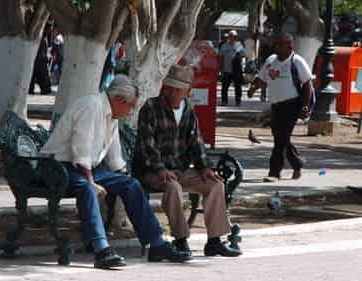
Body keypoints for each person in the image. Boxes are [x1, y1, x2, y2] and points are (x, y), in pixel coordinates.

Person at [40, 75, 191, 269]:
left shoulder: (111, 113)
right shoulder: (92, 106)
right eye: (130, 106)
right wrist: (92, 182)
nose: (130, 111)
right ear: (120, 100)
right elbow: (81, 149)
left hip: (86, 166)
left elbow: (113, 153)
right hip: (59, 166)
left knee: (131, 185)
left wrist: (122, 175)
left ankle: (156, 243)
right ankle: (101, 248)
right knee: (87, 189)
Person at [133, 64, 242, 258]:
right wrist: (159, 169)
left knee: (215, 184)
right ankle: (181, 240)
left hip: (181, 170)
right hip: (152, 171)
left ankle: (214, 241)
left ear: (186, 91)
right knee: (173, 187)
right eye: (169, 87)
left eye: (177, 89)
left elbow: (196, 143)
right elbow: (146, 144)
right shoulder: (151, 107)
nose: (171, 92)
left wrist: (204, 167)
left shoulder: (188, 111)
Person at [248, 32, 313, 182]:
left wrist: (304, 106)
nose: (276, 47)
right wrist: (253, 88)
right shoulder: (271, 60)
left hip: (292, 105)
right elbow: (262, 78)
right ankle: (297, 164)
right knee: (281, 138)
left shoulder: (297, 61)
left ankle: (274, 172)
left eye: (280, 44)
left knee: (280, 140)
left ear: (289, 46)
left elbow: (307, 84)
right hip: (276, 106)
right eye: (275, 44)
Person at [219, 30, 245, 106]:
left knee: (237, 87)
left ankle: (238, 100)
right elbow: (220, 57)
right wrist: (220, 68)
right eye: (230, 36)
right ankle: (224, 101)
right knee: (224, 87)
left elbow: (243, 55)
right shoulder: (224, 46)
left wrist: (239, 56)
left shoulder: (239, 45)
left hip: (236, 70)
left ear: (236, 37)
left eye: (233, 36)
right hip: (226, 70)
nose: (231, 38)